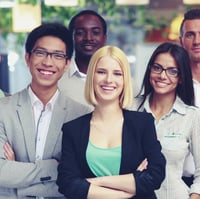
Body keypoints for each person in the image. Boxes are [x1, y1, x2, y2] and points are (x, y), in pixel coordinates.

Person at [57, 45, 166, 199]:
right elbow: (67, 183)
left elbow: (155, 175)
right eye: (101, 72)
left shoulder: (143, 123)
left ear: (124, 80)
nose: (109, 80)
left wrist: (95, 182)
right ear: (91, 77)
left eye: (117, 73)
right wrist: (127, 188)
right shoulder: (72, 129)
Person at [0, 23, 90, 199]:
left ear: (66, 64)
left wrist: (17, 181)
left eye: (57, 55)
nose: (48, 62)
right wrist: (55, 167)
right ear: (27, 58)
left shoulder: (82, 115)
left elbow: (80, 181)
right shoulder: (3, 110)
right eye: (40, 53)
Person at [136, 42, 200, 199]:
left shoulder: (191, 116)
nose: (162, 76)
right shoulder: (129, 108)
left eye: (172, 71)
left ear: (181, 78)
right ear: (150, 69)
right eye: (157, 68)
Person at [58, 10, 107, 106]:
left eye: (95, 32)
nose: (88, 38)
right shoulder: (57, 80)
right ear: (71, 39)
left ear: (104, 38)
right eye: (80, 33)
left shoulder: (120, 81)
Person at [179, 8, 200, 187]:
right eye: (190, 35)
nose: (197, 41)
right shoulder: (171, 84)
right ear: (181, 41)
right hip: (181, 183)